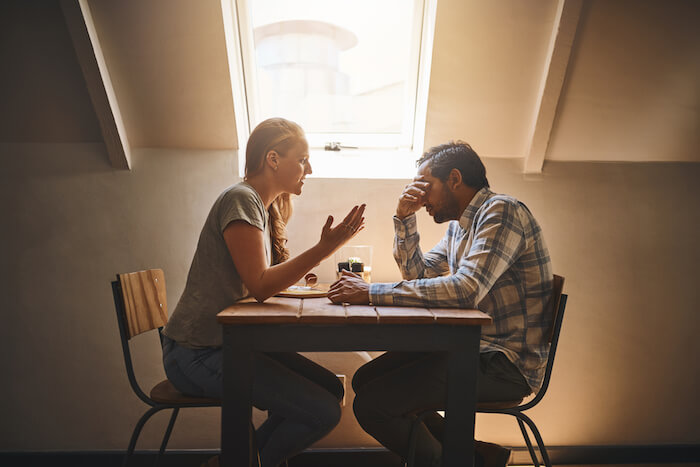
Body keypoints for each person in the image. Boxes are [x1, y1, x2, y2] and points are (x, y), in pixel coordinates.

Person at [328, 141, 552, 467]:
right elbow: (418, 273)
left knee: (373, 404)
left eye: (425, 186)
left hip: (506, 363)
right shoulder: (459, 227)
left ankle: (458, 461)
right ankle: (474, 456)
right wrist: (404, 218)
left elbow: (465, 291)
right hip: (473, 348)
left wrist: (370, 292)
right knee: (366, 381)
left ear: (455, 179)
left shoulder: (501, 212)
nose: (421, 198)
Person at [161, 118, 366, 467]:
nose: (309, 168)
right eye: (302, 158)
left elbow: (260, 282)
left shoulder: (262, 206)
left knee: (331, 391)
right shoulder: (241, 200)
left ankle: (237, 461)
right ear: (273, 159)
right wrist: (325, 248)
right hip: (197, 354)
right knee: (322, 412)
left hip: (228, 345)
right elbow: (259, 285)